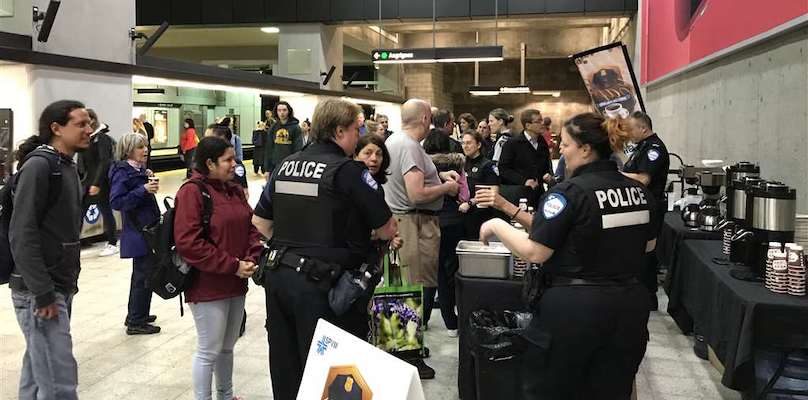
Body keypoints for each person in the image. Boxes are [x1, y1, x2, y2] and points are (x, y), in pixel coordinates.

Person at [477, 112, 655, 400]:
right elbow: (647, 246)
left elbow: (536, 251)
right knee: (612, 387)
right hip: (630, 307)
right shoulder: (639, 192)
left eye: (567, 144)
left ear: (585, 149)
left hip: (575, 312)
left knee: (556, 388)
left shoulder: (569, 192)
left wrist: (495, 224)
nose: (560, 149)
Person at [251, 98, 398, 400]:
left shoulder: (285, 164)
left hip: (278, 277)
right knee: (332, 372)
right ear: (340, 130)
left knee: (286, 361)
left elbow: (261, 223)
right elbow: (387, 228)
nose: (359, 137)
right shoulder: (348, 171)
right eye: (357, 130)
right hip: (326, 286)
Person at [9, 100, 92, 400]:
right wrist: (43, 292)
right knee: (59, 384)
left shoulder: (66, 166)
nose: (89, 130)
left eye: (89, 123)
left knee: (36, 372)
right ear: (56, 128)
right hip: (40, 291)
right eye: (81, 124)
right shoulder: (40, 166)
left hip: (58, 284)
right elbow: (21, 233)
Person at [174, 136, 264, 400]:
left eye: (234, 158)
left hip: (236, 281)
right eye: (228, 160)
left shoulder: (233, 190)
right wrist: (232, 265)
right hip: (207, 286)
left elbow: (251, 227)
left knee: (227, 346)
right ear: (210, 163)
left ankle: (226, 395)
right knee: (208, 350)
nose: (234, 164)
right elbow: (189, 243)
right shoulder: (192, 192)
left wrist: (251, 257)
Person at [382, 99, 460, 379]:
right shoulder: (411, 147)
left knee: (401, 289)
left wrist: (438, 174)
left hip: (403, 221)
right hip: (412, 223)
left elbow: (413, 179)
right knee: (409, 292)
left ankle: (405, 349)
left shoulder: (396, 142)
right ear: (426, 117)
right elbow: (416, 194)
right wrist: (447, 187)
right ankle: (408, 358)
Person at [108, 133, 161, 335]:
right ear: (128, 150)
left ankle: (137, 313)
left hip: (146, 229)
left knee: (143, 274)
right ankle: (136, 322)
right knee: (143, 276)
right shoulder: (122, 172)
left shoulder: (137, 170)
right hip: (138, 231)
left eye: (145, 146)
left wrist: (145, 181)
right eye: (140, 147)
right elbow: (117, 201)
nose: (145, 150)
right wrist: (144, 189)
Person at [622, 111, 670, 311]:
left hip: (649, 207)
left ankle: (648, 297)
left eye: (632, 128)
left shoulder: (654, 149)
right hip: (638, 206)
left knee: (646, 253)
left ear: (643, 128)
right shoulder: (642, 147)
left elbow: (643, 179)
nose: (629, 133)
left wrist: (615, 175)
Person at [423, 132, 469, 339]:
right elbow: (464, 195)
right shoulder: (457, 165)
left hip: (429, 221)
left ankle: (421, 319)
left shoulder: (421, 166)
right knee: (448, 274)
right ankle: (451, 323)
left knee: (427, 273)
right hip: (452, 222)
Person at [78, 109, 118, 256]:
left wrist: (96, 183)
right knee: (80, 212)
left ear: (93, 120)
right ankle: (75, 242)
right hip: (88, 182)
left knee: (105, 210)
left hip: (100, 182)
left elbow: (104, 162)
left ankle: (113, 242)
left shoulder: (102, 139)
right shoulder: (88, 138)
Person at [497, 109, 553, 209]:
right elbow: (503, 169)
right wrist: (524, 181)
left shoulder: (542, 143)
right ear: (528, 125)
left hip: (539, 194)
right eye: (538, 121)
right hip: (519, 195)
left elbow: (546, 166)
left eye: (542, 120)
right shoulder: (512, 144)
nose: (542, 124)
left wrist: (548, 176)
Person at [460, 131, 499, 240]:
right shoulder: (461, 164)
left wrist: (470, 202)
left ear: (478, 145)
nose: (465, 146)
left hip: (480, 214)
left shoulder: (487, 165)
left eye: (468, 143)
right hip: (461, 213)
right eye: (463, 143)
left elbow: (493, 192)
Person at [206, 124, 249, 196]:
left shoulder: (236, 164)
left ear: (222, 139)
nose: (204, 142)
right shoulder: (204, 162)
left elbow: (244, 192)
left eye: (209, 139)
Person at [264, 101, 303, 177]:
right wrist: (267, 169)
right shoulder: (273, 127)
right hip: (274, 166)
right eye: (279, 110)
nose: (282, 112)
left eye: (284, 110)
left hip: (290, 166)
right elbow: (269, 148)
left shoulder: (295, 127)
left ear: (289, 111)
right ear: (276, 112)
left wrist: (296, 167)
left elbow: (298, 149)